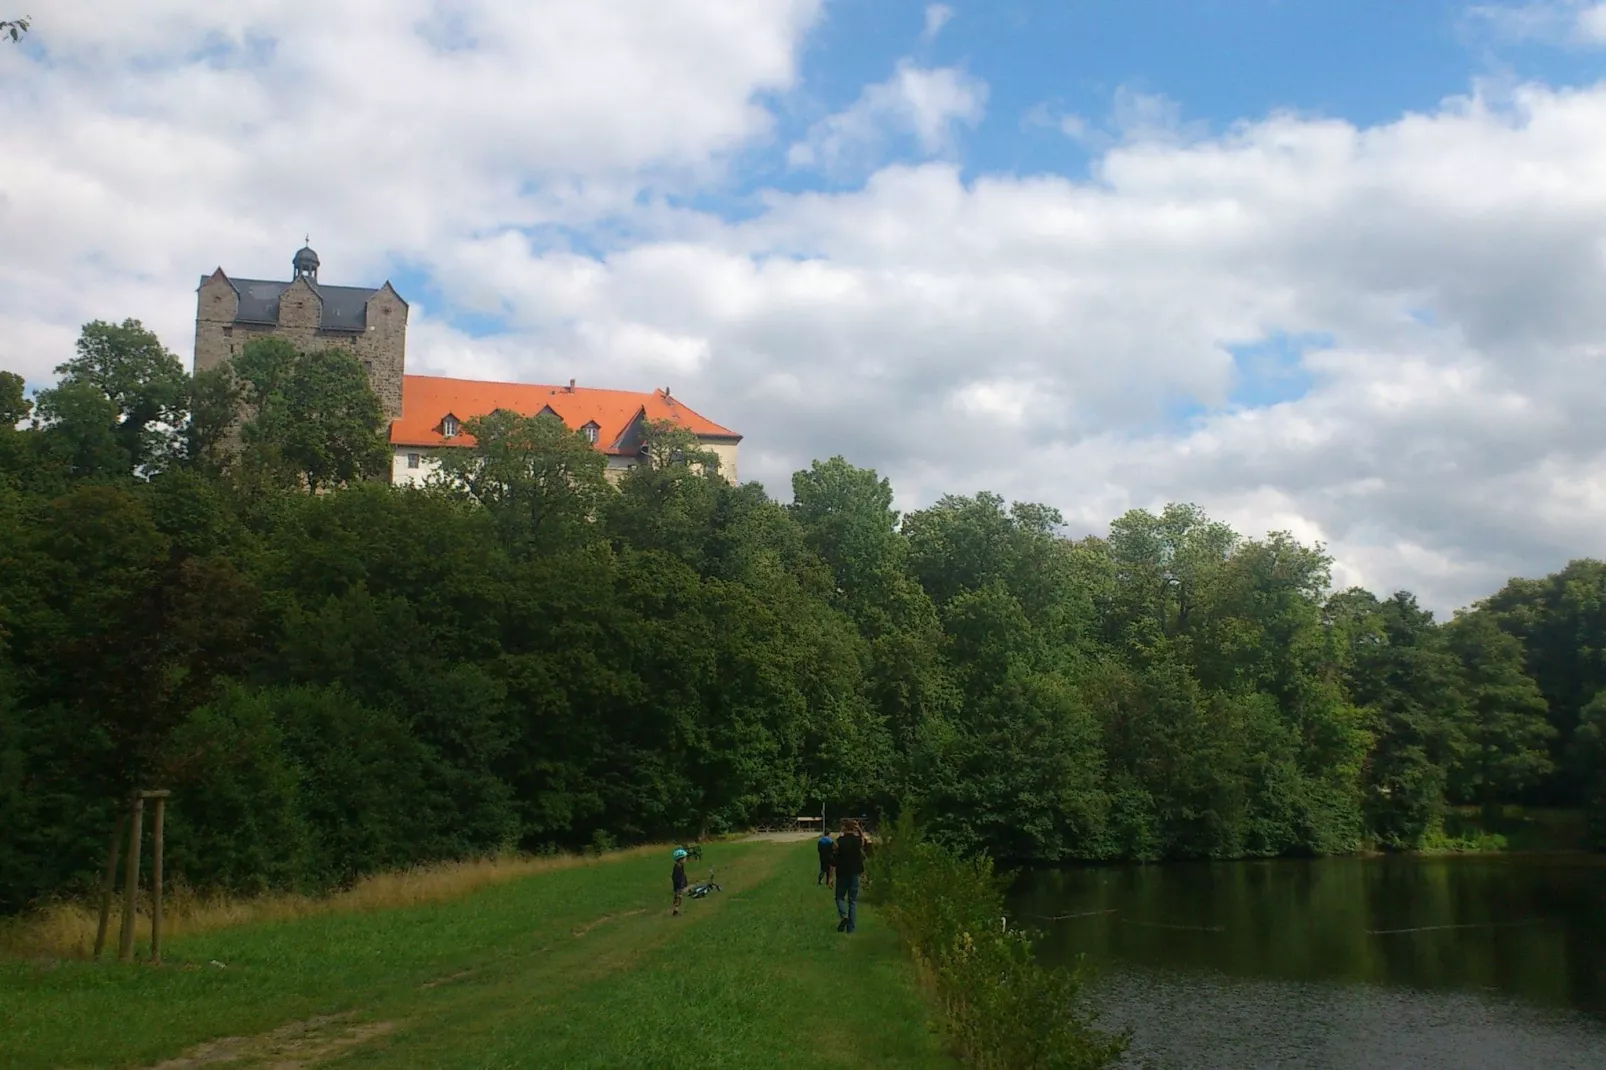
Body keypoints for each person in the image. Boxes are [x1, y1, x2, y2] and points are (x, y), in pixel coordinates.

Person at [833, 819, 867, 934]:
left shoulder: (840, 841)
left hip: (842, 873)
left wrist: (840, 834)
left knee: (839, 897)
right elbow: (864, 841)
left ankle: (843, 916)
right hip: (855, 873)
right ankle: (851, 930)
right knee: (852, 901)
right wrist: (859, 829)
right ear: (854, 828)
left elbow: (834, 849)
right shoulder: (857, 840)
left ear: (844, 827)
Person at [672, 848, 689, 916]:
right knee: (678, 897)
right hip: (678, 886)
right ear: (680, 859)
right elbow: (675, 878)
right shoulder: (677, 868)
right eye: (684, 858)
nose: (686, 860)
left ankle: (676, 910)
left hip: (681, 885)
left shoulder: (681, 866)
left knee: (679, 898)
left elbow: (683, 876)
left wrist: (685, 883)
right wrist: (680, 885)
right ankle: (675, 911)